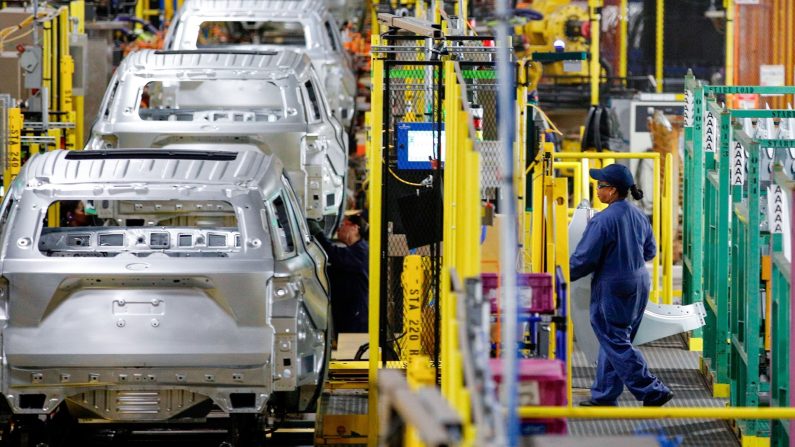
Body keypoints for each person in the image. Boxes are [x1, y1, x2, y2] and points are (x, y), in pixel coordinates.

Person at [570, 163, 673, 407]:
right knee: (614, 339)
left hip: (613, 286)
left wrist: (557, 273)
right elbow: (650, 251)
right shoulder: (638, 215)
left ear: (613, 191)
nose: (597, 190)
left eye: (600, 186)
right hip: (639, 283)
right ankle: (605, 394)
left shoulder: (602, 221)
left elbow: (584, 260)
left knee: (615, 340)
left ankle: (652, 390)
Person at [308, 214, 369, 337]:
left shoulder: (361, 251)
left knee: (351, 351)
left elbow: (332, 254)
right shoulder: (355, 250)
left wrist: (318, 232)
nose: (338, 229)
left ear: (355, 228)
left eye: (342, 225)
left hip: (354, 315)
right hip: (347, 311)